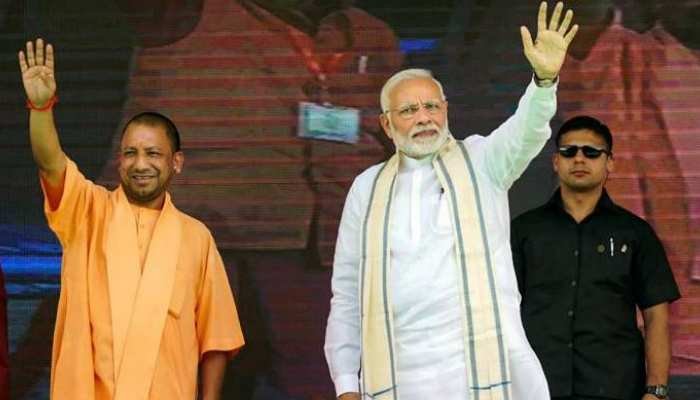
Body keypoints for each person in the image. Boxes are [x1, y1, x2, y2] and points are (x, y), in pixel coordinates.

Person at [325, 2, 579, 398]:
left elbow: (526, 130)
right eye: (409, 110)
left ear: (446, 111)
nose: (424, 118)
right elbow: (347, 291)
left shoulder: (483, 161)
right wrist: (345, 382)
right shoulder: (366, 187)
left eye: (431, 106)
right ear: (387, 124)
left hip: (483, 369)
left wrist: (544, 82)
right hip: (399, 376)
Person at [17, 38, 244, 400]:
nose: (141, 164)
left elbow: (216, 339)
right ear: (119, 160)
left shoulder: (196, 238)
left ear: (176, 163)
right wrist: (41, 108)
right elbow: (50, 162)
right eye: (131, 153)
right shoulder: (87, 211)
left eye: (153, 153)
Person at [511, 115, 681, 400]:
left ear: (609, 162)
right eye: (569, 151)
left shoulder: (635, 233)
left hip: (616, 387)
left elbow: (656, 316)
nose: (579, 159)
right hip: (536, 387)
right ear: (556, 162)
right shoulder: (523, 231)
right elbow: (500, 311)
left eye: (591, 152)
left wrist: (657, 391)